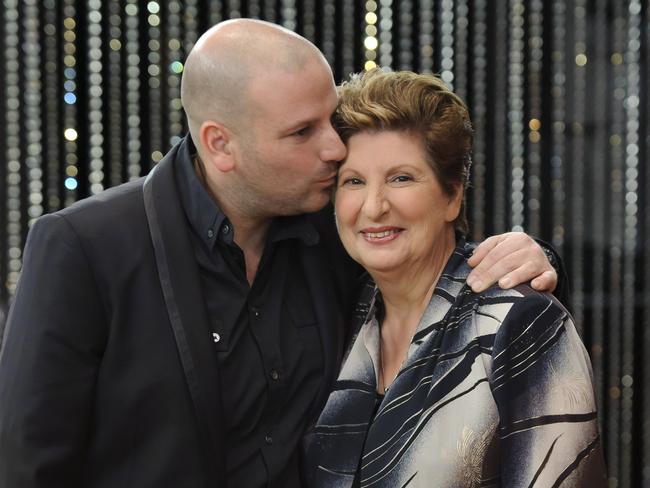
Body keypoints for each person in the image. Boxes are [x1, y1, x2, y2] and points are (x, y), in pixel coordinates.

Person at [0, 20, 563, 488]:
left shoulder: (333, 223)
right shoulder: (83, 247)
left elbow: (429, 251)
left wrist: (538, 258)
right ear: (221, 144)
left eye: (331, 119)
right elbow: (28, 466)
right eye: (303, 132)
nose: (335, 148)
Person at [303, 69, 606, 487]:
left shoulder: (520, 321)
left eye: (401, 178)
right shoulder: (341, 312)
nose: (373, 207)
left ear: (452, 195)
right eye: (354, 181)